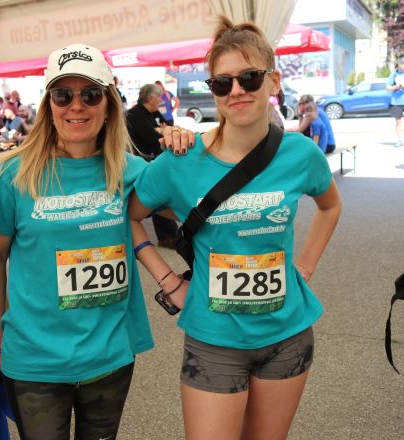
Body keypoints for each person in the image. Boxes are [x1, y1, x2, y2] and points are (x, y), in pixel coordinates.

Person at [129, 16, 341, 440]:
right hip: (214, 339)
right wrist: (168, 280)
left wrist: (305, 266)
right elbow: (131, 216)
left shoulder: (300, 154)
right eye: (222, 83)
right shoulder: (180, 160)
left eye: (249, 77)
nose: (237, 91)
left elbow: (330, 205)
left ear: (273, 81)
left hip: (287, 335)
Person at [0, 43, 156, 440]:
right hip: (35, 356)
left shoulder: (132, 171)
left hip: (109, 351)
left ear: (108, 104)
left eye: (90, 94)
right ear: (49, 105)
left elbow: (191, 199)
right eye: (63, 95)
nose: (77, 106)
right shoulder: (14, 174)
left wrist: (186, 144)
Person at [126, 83, 179, 249]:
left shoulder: (153, 112)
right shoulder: (134, 115)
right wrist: (160, 131)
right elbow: (151, 137)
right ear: (150, 98)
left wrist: (161, 130)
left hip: (157, 158)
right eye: (159, 98)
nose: (161, 101)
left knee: (165, 192)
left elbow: (168, 126)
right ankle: (168, 236)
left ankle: (169, 234)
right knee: (160, 194)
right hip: (143, 162)